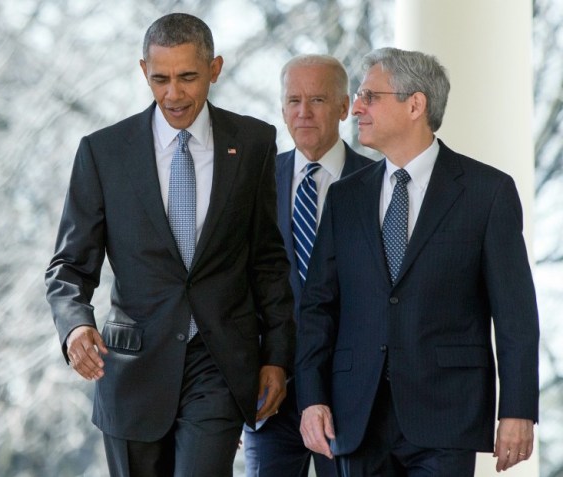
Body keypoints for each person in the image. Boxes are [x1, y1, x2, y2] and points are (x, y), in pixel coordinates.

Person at [45, 13, 295, 477]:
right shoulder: (104, 153)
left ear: (214, 69)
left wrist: (277, 356)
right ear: (144, 71)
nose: (173, 94)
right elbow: (68, 266)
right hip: (131, 369)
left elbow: (267, 261)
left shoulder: (254, 143)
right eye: (160, 79)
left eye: (187, 77)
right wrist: (75, 327)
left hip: (218, 363)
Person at [295, 47, 539, 476]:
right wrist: (312, 398)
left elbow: (515, 314)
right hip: (356, 415)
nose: (356, 108)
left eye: (370, 96)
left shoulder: (488, 192)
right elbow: (318, 308)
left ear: (415, 104)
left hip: (447, 415)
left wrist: (517, 410)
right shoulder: (346, 197)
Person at [243, 54, 371, 477]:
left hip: (348, 392)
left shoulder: (379, 185)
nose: (303, 111)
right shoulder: (253, 184)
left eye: (317, 99)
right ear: (281, 108)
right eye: (293, 100)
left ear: (344, 106)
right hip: (271, 388)